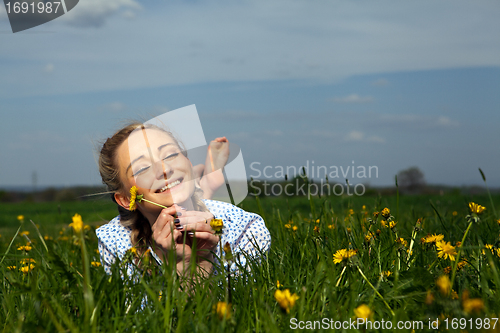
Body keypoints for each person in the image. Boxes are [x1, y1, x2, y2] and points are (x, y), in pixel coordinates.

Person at [96, 123, 271, 279]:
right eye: (143, 168)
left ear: (187, 160)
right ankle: (204, 186)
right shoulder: (115, 242)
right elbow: (134, 315)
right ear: (126, 199)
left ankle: (204, 186)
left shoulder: (245, 229)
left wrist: (202, 261)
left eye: (171, 154)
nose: (165, 169)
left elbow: (241, 311)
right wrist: (181, 265)